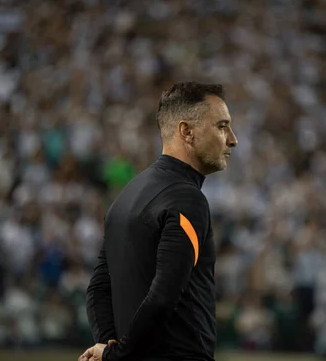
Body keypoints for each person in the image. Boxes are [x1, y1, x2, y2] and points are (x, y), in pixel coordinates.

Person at [79, 82, 238, 361]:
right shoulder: (187, 199)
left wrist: (110, 349)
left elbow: (98, 288)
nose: (233, 139)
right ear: (186, 131)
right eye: (222, 126)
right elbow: (164, 295)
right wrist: (117, 354)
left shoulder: (125, 197)